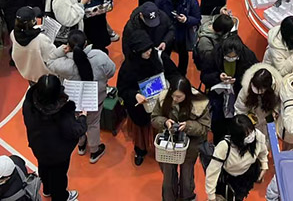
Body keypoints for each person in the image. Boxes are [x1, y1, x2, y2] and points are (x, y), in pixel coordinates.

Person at [47, 30, 116, 164]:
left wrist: (62, 49)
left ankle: (81, 144)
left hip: (74, 102)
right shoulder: (99, 56)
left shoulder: (65, 65)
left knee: (77, 120)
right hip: (96, 99)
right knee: (93, 123)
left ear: (69, 46)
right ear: (86, 43)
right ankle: (94, 150)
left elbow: (49, 61)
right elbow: (111, 71)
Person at [117, 30, 180, 166]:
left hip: (161, 103)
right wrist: (135, 95)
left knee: (161, 127)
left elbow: (174, 74)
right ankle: (140, 151)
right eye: (144, 51)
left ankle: (162, 148)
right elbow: (122, 89)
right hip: (140, 108)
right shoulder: (128, 67)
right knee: (141, 132)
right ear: (136, 51)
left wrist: (174, 88)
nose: (148, 52)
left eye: (149, 48)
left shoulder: (159, 57)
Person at [21, 77, 86, 201]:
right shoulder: (62, 114)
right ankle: (61, 197)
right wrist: (83, 118)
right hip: (58, 153)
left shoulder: (29, 104)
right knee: (59, 177)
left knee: (43, 168)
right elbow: (74, 131)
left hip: (38, 147)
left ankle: (46, 189)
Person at [151, 78, 211, 201]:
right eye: (173, 95)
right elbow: (154, 118)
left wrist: (188, 126)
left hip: (191, 144)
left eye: (179, 97)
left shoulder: (200, 104)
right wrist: (165, 122)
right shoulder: (163, 98)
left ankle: (187, 196)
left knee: (187, 174)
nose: (174, 99)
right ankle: (169, 197)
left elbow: (205, 128)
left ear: (187, 94)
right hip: (168, 142)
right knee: (168, 175)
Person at [201, 32, 258, 143]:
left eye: (234, 57)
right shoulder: (214, 56)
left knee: (237, 122)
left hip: (238, 95)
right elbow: (204, 76)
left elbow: (253, 75)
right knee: (218, 122)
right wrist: (218, 77)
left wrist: (239, 80)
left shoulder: (248, 56)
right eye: (228, 56)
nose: (231, 58)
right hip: (218, 96)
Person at [204, 114, 269, 201]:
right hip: (228, 179)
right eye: (246, 134)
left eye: (251, 131)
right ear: (237, 137)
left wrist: (264, 166)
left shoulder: (257, 136)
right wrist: (211, 197)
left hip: (246, 176)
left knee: (240, 197)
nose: (251, 136)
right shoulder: (224, 146)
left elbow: (263, 152)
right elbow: (212, 172)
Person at [155, 0, 201, 76]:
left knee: (183, 55)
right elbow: (157, 14)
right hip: (167, 33)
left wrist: (186, 19)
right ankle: (166, 72)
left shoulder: (191, 1)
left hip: (182, 33)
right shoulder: (162, 0)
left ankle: (181, 74)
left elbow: (197, 18)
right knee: (165, 53)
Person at [235, 64, 282, 142]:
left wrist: (275, 110)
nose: (255, 90)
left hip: (269, 120)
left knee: (270, 143)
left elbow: (279, 103)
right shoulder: (246, 89)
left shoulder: (278, 89)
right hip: (252, 122)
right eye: (254, 86)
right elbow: (239, 109)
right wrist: (245, 122)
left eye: (259, 89)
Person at [11, 6, 54, 84]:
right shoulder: (41, 39)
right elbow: (53, 58)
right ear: (32, 21)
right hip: (45, 78)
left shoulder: (13, 34)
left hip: (29, 75)